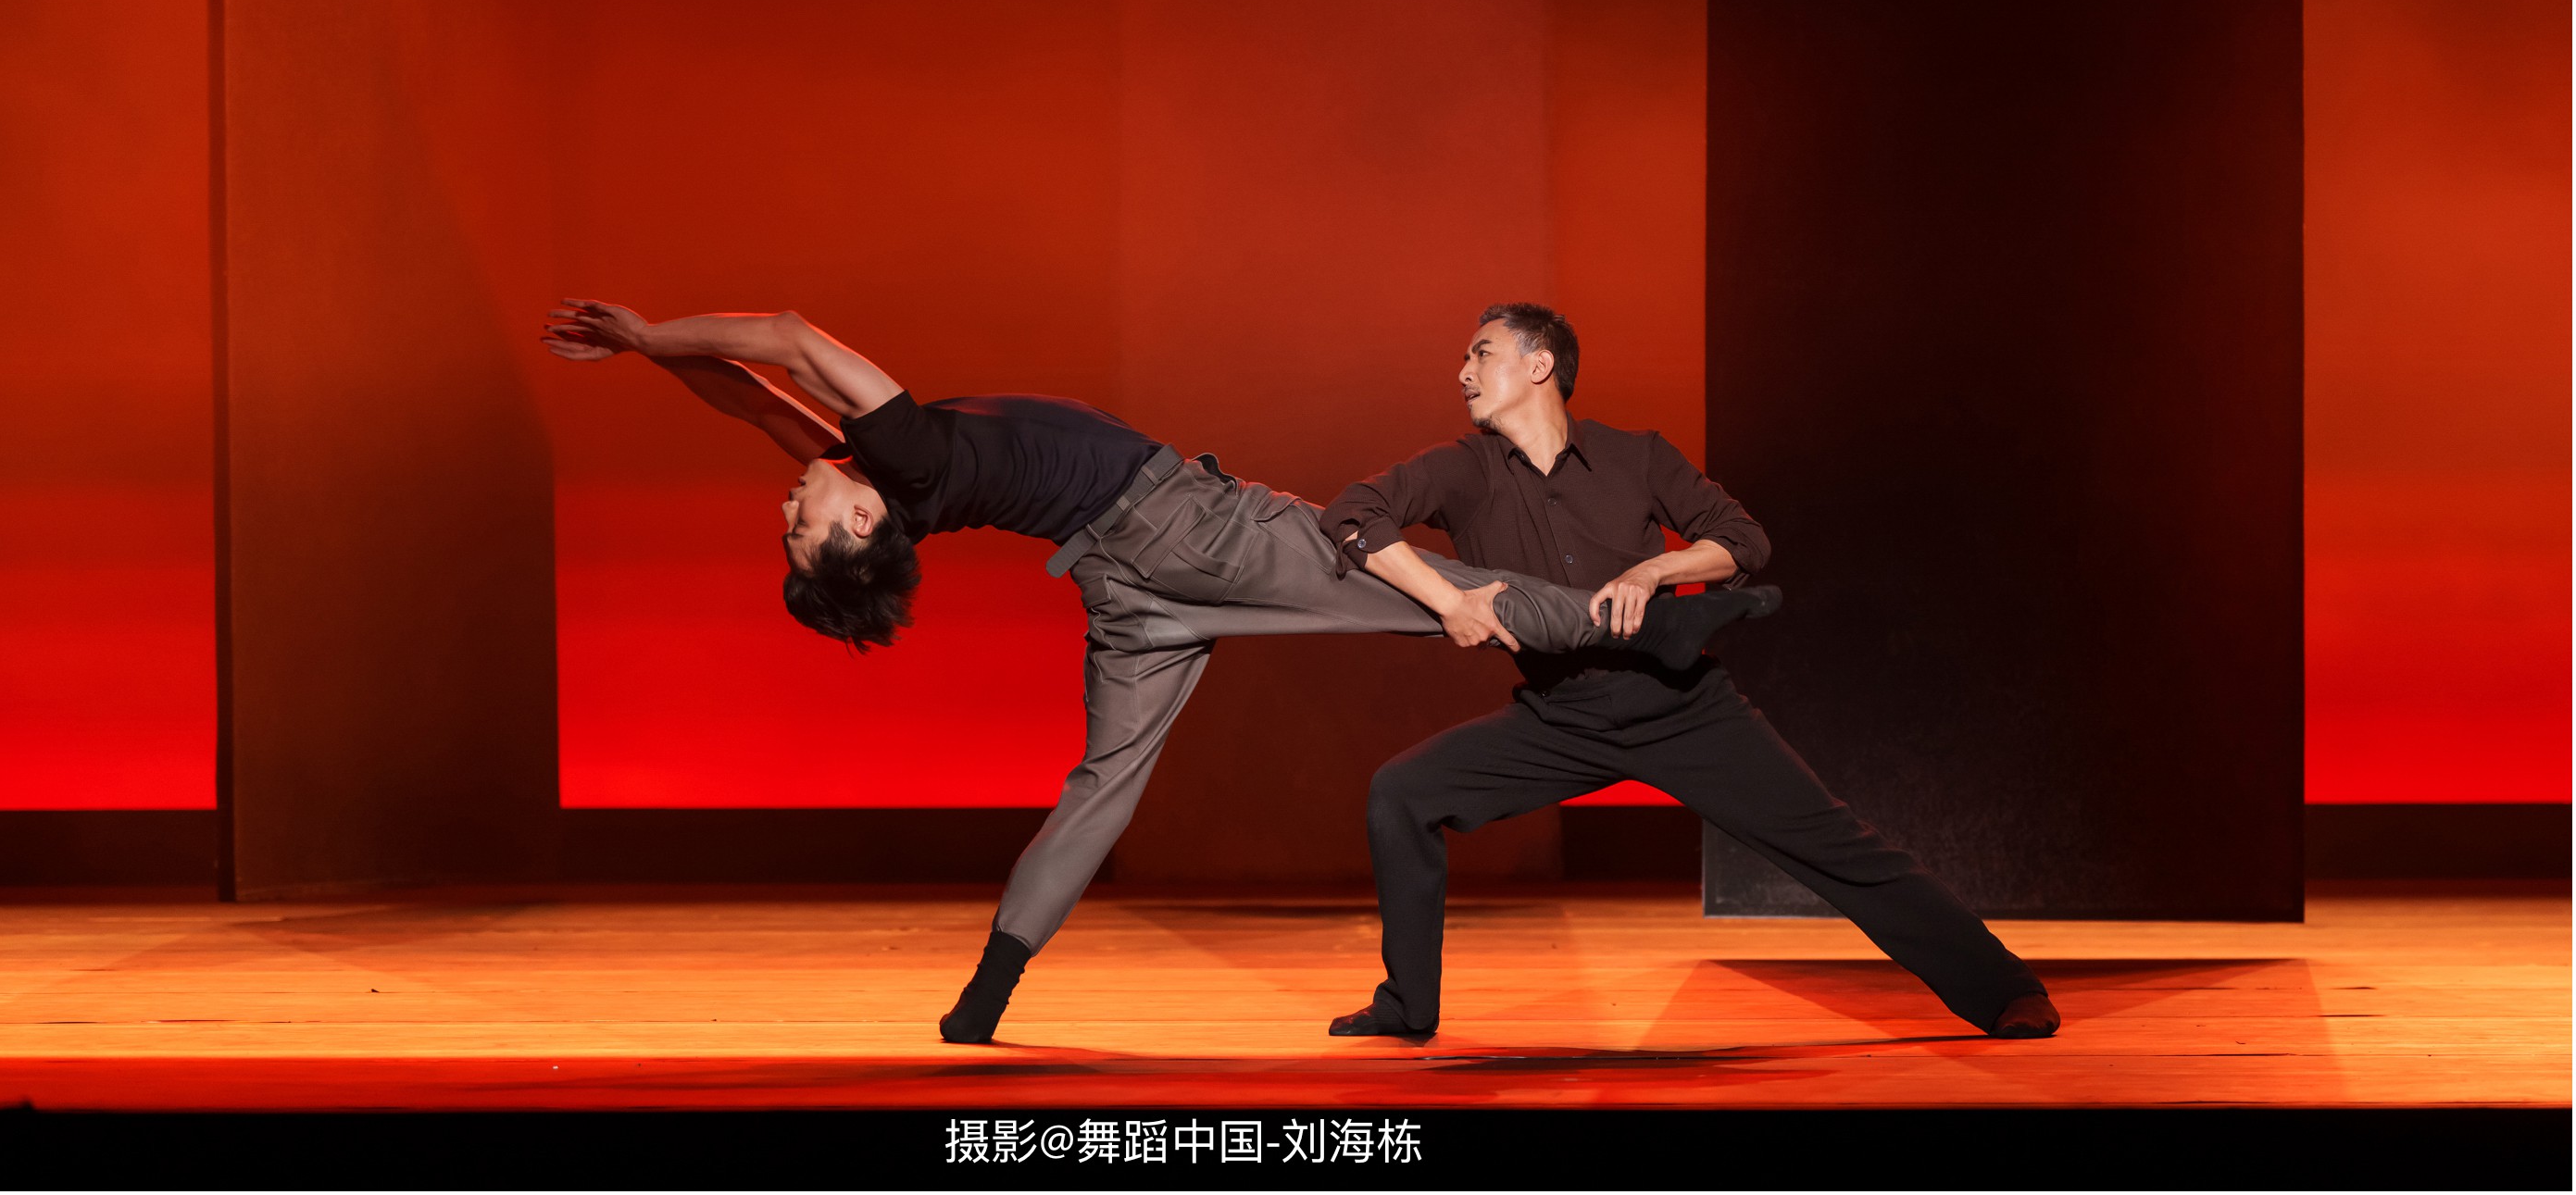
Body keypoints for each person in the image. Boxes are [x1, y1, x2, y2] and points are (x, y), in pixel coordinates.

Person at [541, 297, 1782, 1043]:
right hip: (1187, 532)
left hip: (1123, 591)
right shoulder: (901, 458)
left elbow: (749, 390)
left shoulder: (875, 477)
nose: (787, 503)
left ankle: (988, 993)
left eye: (785, 518)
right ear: (861, 526)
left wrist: (647, 349)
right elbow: (786, 335)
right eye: (797, 525)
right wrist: (648, 332)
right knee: (1420, 589)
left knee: (1103, 783)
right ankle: (1652, 629)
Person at [1318, 302, 2059, 1042]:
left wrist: (1656, 570)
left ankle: (2005, 991)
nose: (1463, 372)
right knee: (1402, 792)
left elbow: (1743, 540)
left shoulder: (1636, 456)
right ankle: (1406, 1004)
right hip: (1558, 715)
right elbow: (1352, 515)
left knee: (1838, 846)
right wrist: (1449, 601)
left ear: (1539, 364)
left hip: (1680, 704)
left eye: (1481, 353)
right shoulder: (1461, 470)